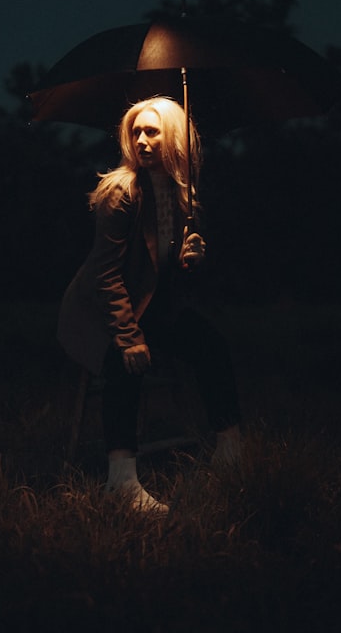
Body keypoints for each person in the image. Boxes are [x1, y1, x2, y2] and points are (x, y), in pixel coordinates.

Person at [58, 96, 242, 513]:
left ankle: (231, 452)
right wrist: (128, 339)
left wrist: (189, 258)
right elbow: (107, 275)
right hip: (99, 309)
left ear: (173, 137)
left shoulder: (181, 191)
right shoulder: (121, 192)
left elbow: (159, 269)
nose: (141, 140)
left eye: (152, 131)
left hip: (147, 302)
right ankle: (121, 481)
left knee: (211, 344)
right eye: (135, 132)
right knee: (124, 364)